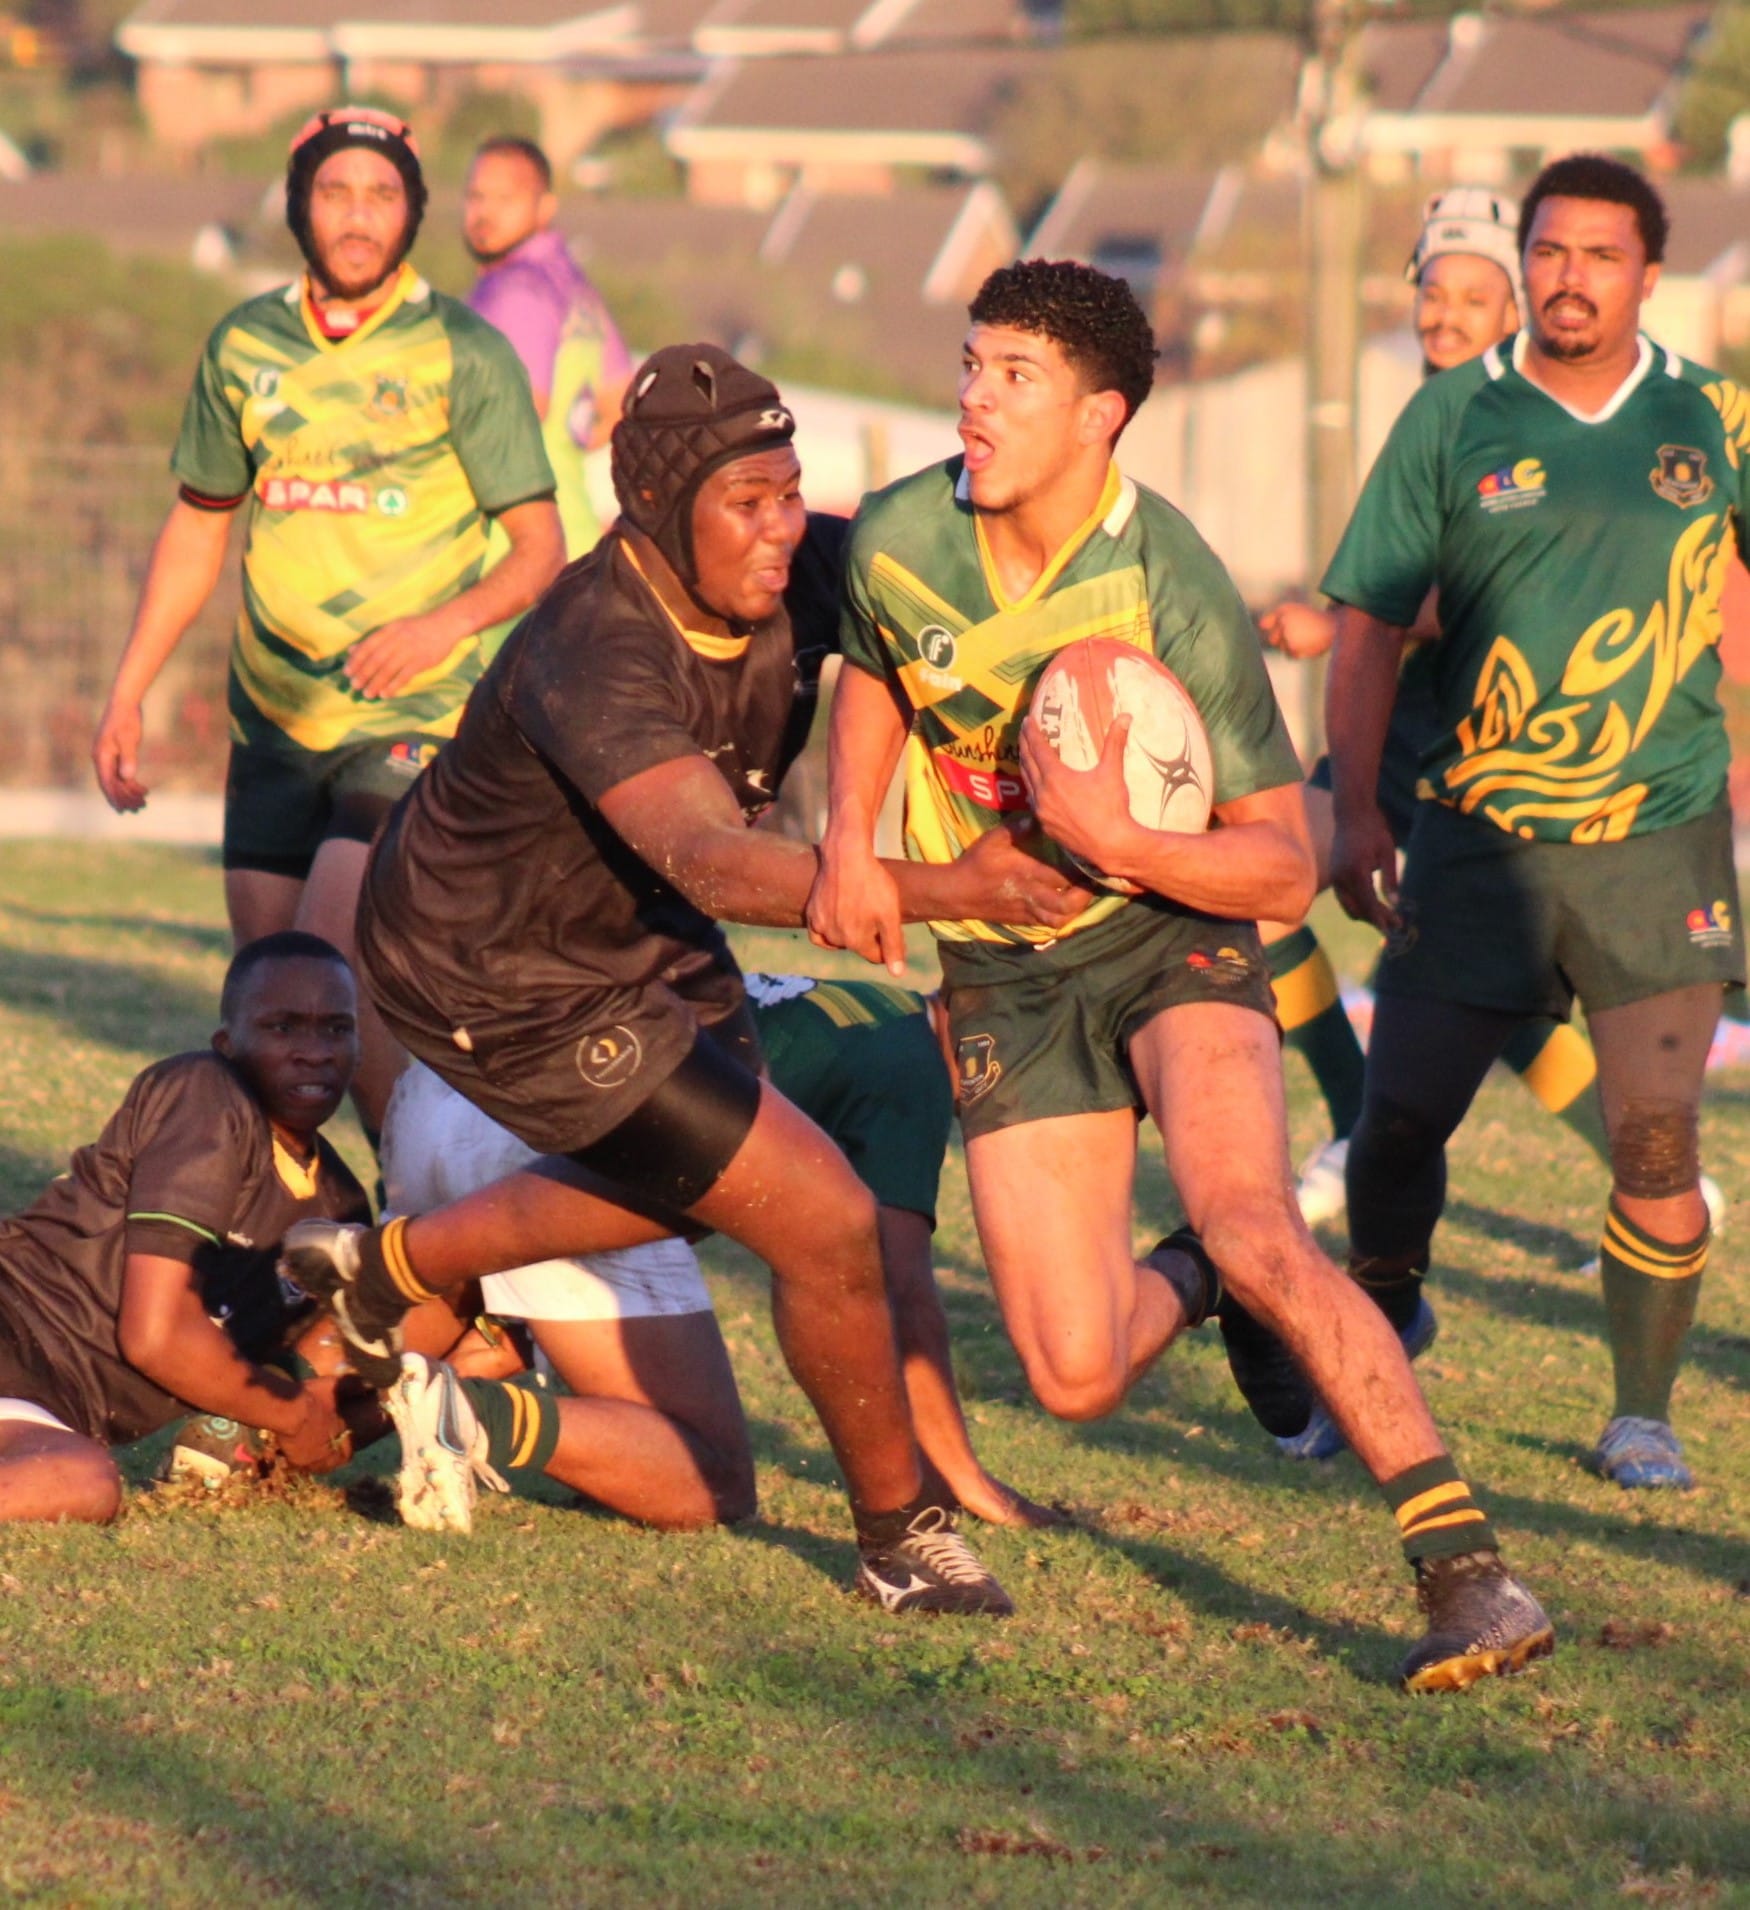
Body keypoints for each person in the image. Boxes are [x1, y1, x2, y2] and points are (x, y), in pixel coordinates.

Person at [807, 258, 1553, 1691]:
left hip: (1171, 932)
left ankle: (1470, 1574)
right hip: (1003, 976)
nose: (971, 399)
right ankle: (1206, 1277)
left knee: (1265, 1222)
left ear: (1102, 415)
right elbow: (873, 669)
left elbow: (1285, 863)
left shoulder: (1167, 576)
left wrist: (1124, 836)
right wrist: (849, 829)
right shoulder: (901, 531)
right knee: (1074, 1373)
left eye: (1011, 377)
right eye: (968, 365)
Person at [280, 343, 1093, 1614]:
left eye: (790, 492)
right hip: (491, 973)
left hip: (631, 936)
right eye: (746, 503)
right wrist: (954, 886)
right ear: (659, 513)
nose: (782, 532)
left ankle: (393, 1269)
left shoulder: (798, 565)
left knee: (721, 1183)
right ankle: (898, 1535)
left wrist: (1053, 451)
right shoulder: (595, 648)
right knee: (816, 1214)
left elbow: (939, 529)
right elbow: (716, 859)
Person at [1322, 155, 1747, 1492]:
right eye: (1550, 253)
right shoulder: (1454, 415)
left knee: (1654, 1139)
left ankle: (1638, 1411)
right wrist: (1349, 816)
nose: (1570, 278)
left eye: (1599, 256)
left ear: (1647, 274)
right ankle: (1387, 1321)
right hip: (1475, 838)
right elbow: (1367, 625)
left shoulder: (1714, 417)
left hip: (1657, 840)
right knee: (1394, 1128)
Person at [91, 107, 565, 1136]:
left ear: (413, 213)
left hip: (412, 716)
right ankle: (308, 1238)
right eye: (337, 193)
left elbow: (540, 550)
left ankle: (434, 1225)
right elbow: (197, 527)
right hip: (273, 719)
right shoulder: (245, 346)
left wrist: (444, 626)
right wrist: (127, 690)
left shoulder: (461, 350)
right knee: (271, 1013)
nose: (359, 217)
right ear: (300, 205)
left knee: (320, 973)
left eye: (383, 195)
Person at [367, 972, 1057, 1531]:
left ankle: (275, 1438)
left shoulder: (870, 1007)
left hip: (441, 1096)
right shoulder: (915, 1069)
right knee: (712, 1475)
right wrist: (963, 1476)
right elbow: (898, 1289)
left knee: (379, 1351)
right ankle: (475, 1416)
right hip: (558, 1153)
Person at [1259, 188, 1623, 1234]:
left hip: (1487, 742)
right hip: (1396, 733)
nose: (1446, 313)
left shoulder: (1524, 410)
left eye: (1474, 294)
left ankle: (1653, 1176)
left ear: (1515, 305)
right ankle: (1349, 1119)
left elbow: (1503, 577)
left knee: (1476, 986)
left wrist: (1341, 624)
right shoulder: (1433, 406)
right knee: (1268, 879)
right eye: (1432, 290)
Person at [0, 933, 371, 1523]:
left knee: (83, 1483)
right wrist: (296, 1416)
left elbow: (328, 1362)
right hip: (16, 1322)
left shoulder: (341, 1207)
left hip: (43, 1403)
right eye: (283, 1028)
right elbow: (155, 1336)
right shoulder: (207, 1095)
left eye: (335, 1029)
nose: (314, 1051)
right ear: (227, 1044)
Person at [464, 135, 633, 560]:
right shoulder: (573, 287)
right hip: (572, 526)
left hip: (513, 549)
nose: (485, 213)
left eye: (506, 199)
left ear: (545, 208)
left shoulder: (515, 288)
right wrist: (561, 448)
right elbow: (620, 406)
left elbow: (518, 408)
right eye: (476, 197)